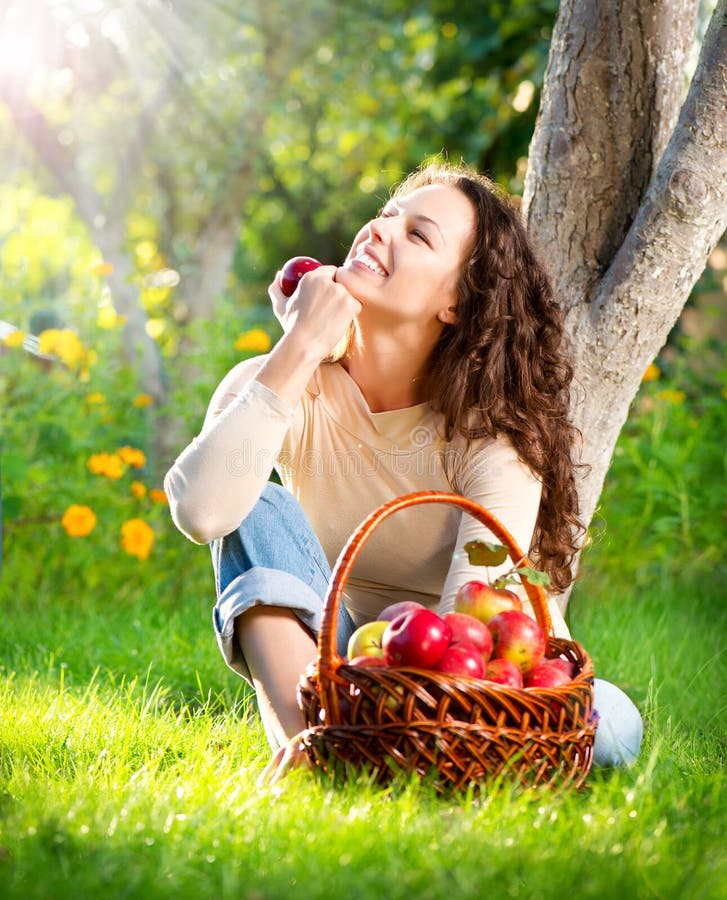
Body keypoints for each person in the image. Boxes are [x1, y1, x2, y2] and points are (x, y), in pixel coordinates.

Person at [164, 161, 643, 773]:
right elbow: (203, 511)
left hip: (477, 683)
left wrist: (408, 709)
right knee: (255, 503)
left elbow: (468, 627)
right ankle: (314, 757)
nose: (379, 231)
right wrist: (300, 346)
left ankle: (371, 756)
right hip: (344, 672)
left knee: (610, 729)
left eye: (418, 235)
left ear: (458, 301)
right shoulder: (283, 383)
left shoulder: (491, 436)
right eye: (387, 216)